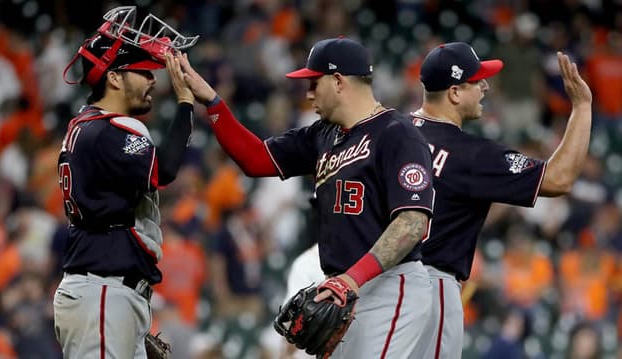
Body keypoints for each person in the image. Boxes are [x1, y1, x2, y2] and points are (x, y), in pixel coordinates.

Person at [180, 37, 435, 358]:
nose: (308, 93)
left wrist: (350, 281)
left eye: (314, 83)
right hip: (346, 291)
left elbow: (413, 223)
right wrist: (213, 103)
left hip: (390, 286)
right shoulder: (323, 134)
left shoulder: (397, 132)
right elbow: (256, 159)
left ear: (339, 81)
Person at [409, 42, 592, 359]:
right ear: (454, 93)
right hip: (431, 286)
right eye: (476, 81)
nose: (485, 86)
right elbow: (559, 178)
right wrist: (582, 107)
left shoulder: (387, 132)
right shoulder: (473, 154)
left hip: (378, 282)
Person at [52, 6, 199, 358]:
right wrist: (185, 102)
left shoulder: (86, 125)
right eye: (142, 72)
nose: (153, 79)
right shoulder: (112, 128)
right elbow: (164, 170)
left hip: (104, 292)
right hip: (103, 292)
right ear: (114, 78)